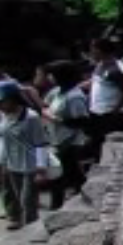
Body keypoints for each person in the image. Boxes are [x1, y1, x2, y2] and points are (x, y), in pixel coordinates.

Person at [0, 80, 49, 230]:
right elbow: (3, 140)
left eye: (3, 102)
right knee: (16, 196)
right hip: (12, 163)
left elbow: (40, 144)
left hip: (30, 164)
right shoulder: (4, 116)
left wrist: (41, 169)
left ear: (13, 100)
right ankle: (20, 221)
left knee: (28, 200)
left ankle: (31, 227)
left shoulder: (31, 118)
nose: (0, 106)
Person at [43, 60, 89, 210]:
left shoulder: (75, 96)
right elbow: (45, 105)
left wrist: (57, 119)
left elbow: (80, 121)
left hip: (69, 141)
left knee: (62, 174)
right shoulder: (56, 92)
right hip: (55, 138)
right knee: (65, 174)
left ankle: (57, 205)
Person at [84, 37, 123, 161]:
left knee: (111, 148)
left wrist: (115, 112)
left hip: (109, 114)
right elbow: (96, 81)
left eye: (93, 49)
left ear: (100, 50)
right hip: (96, 112)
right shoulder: (100, 65)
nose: (91, 52)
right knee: (97, 146)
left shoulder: (116, 70)